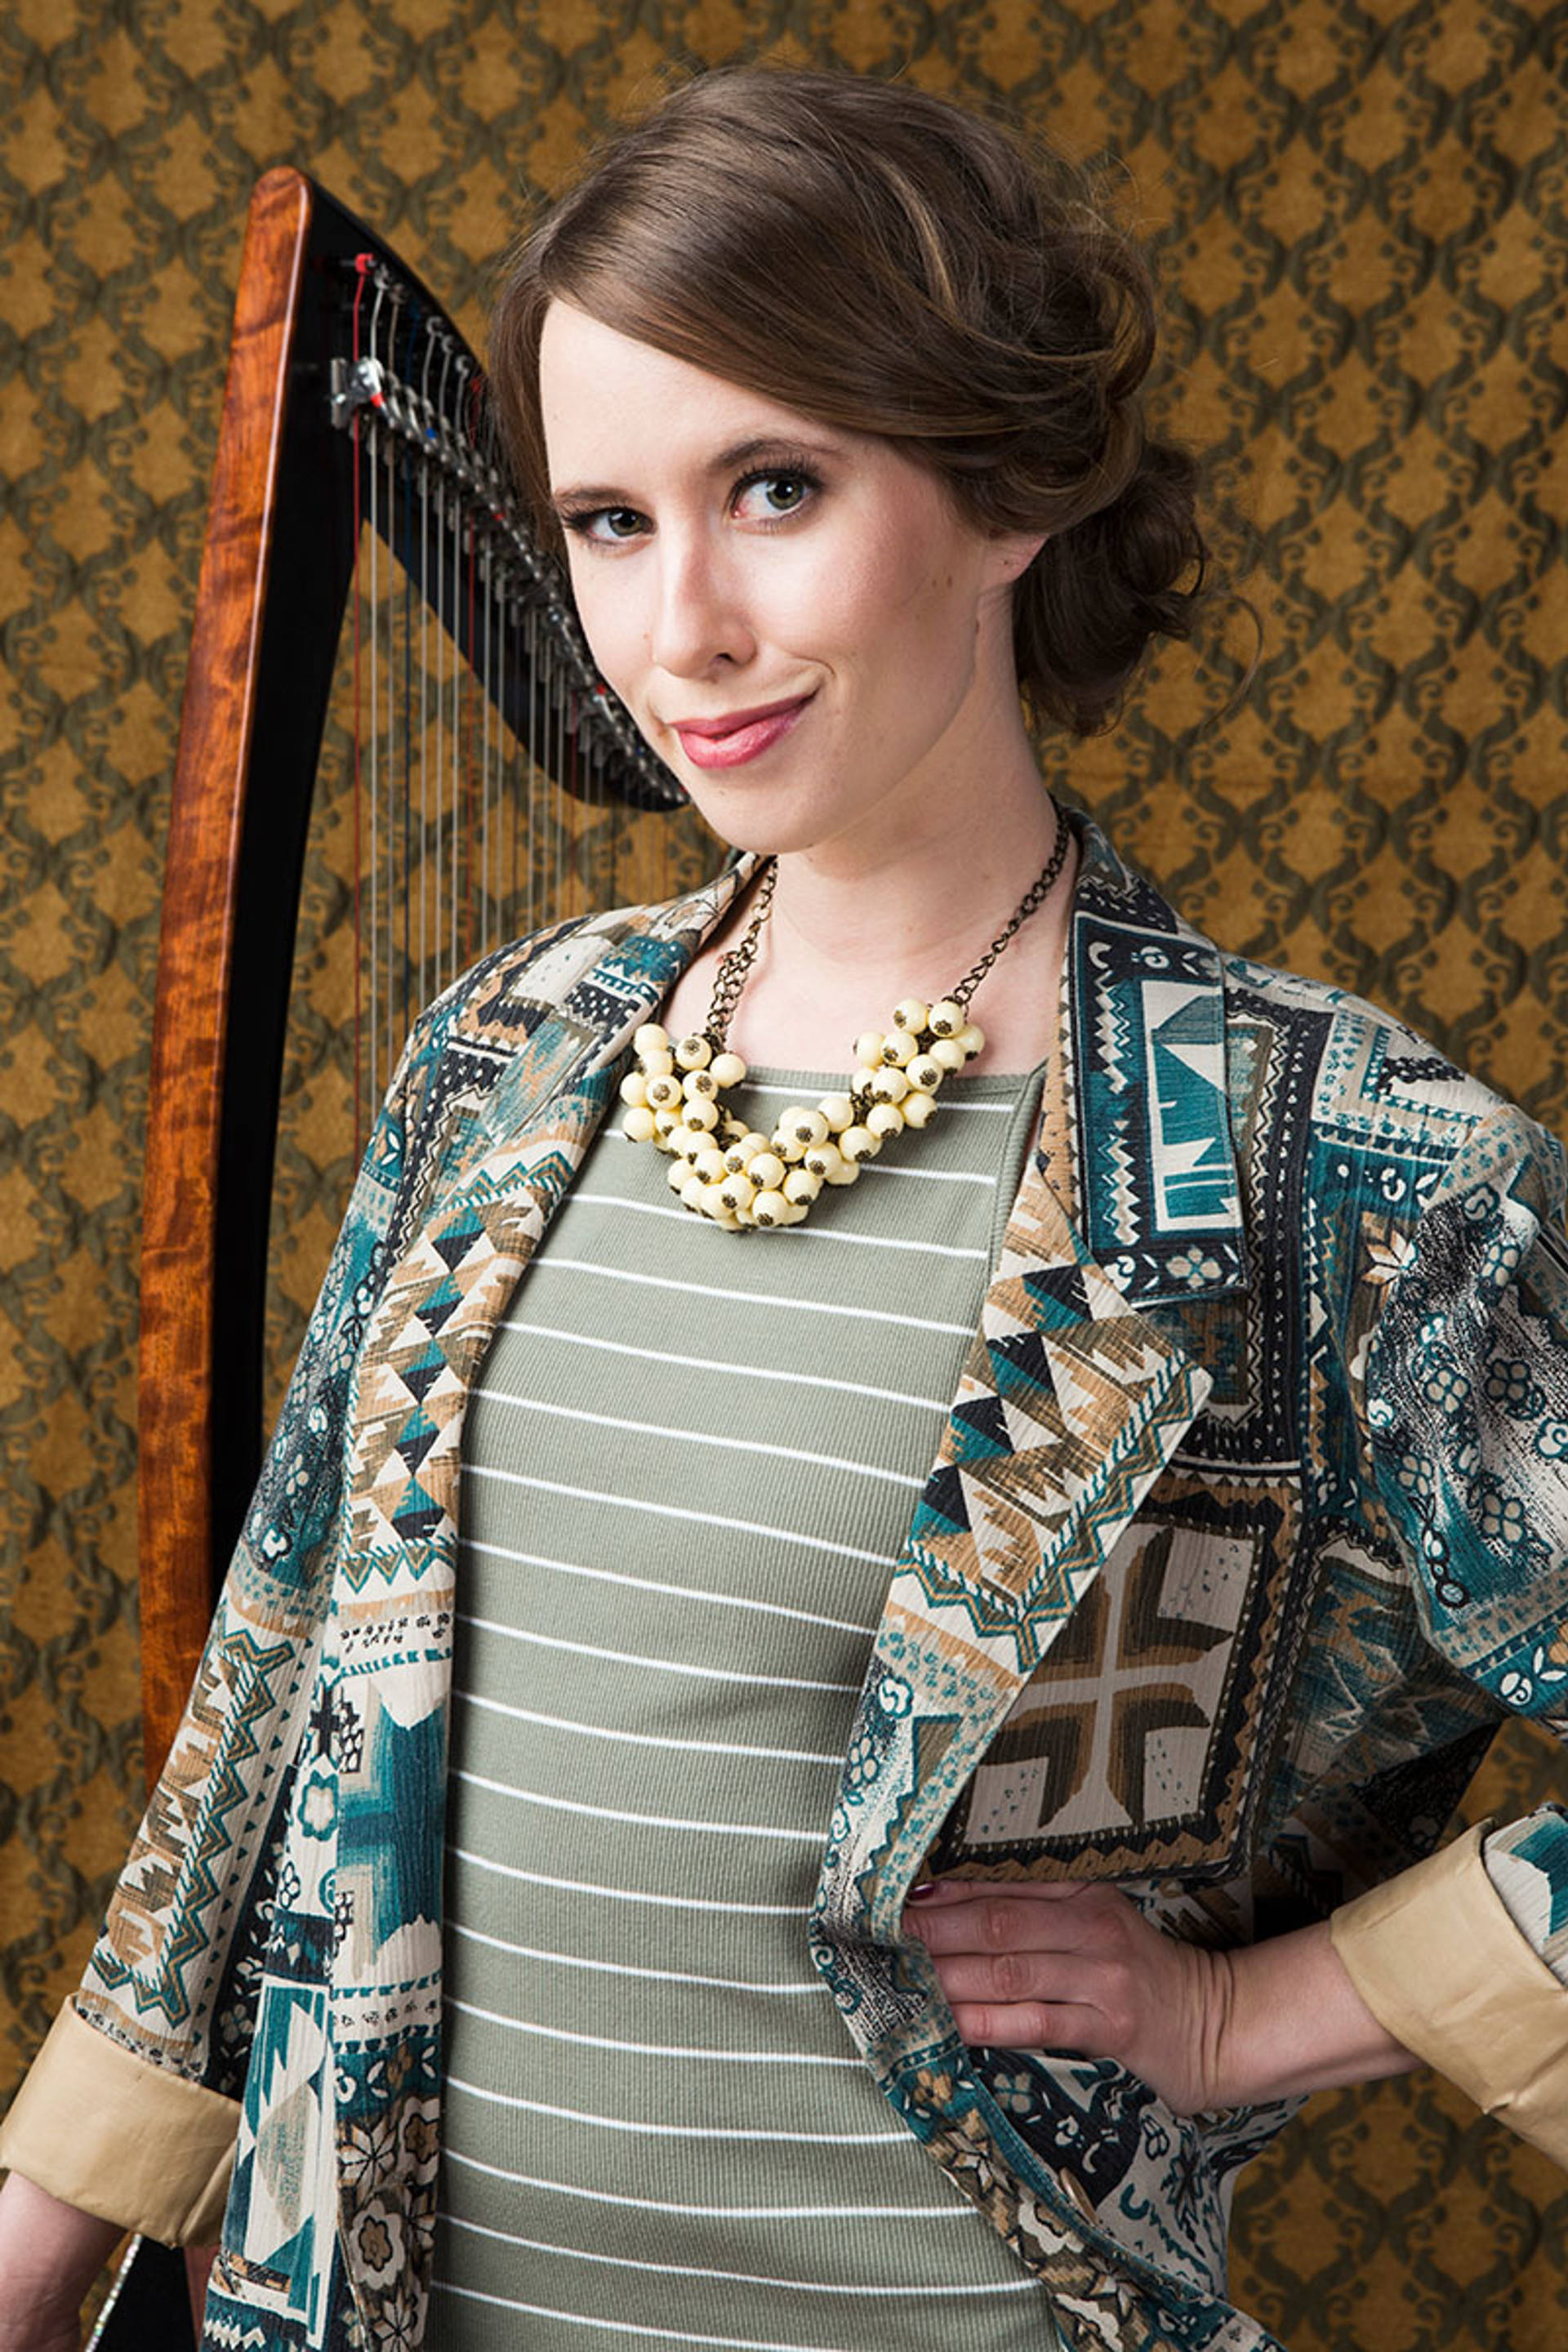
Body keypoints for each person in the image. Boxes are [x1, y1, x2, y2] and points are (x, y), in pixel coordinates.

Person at [2, 62, 1566, 2352]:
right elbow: (277, 1688)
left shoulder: (1325, 1150)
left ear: (1012, 491)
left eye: (775, 488)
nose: (686, 630)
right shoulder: (510, 1053)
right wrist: (47, 2236)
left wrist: (1270, 2015)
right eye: (611, 524)